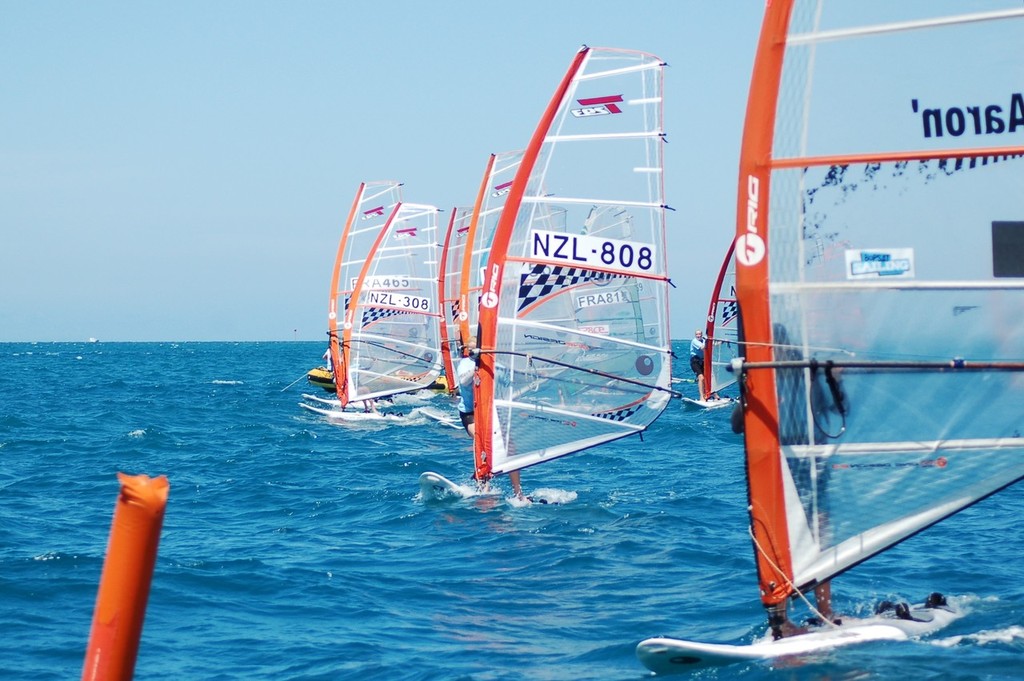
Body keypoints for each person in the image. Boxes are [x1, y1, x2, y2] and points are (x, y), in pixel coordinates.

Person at [456, 337, 523, 497]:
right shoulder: (465, 363)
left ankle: (518, 492)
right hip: (470, 412)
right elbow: (465, 381)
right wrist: (477, 361)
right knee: (481, 441)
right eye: (471, 351)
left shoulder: (496, 365)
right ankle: (483, 486)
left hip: (492, 412)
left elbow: (509, 386)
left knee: (511, 447)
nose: (473, 353)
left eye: (476, 350)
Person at [689, 328, 712, 401]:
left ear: (702, 335)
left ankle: (711, 394)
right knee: (701, 378)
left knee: (708, 378)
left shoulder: (704, 340)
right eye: (697, 334)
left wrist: (721, 342)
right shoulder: (694, 341)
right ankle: (701, 397)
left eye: (699, 334)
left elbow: (712, 345)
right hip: (695, 361)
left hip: (703, 361)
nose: (698, 335)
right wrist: (709, 341)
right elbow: (703, 348)